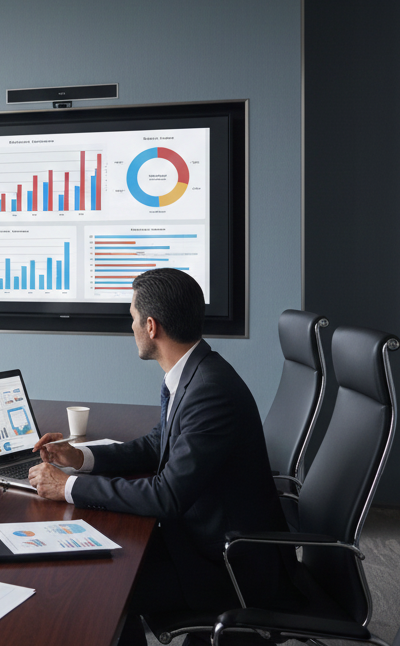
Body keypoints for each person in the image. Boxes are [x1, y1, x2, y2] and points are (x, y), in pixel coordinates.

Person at [28, 268, 287, 644]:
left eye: (132, 319)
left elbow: (167, 495)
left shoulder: (209, 392)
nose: (130, 327)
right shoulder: (194, 371)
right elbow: (156, 444)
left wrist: (69, 487)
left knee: (100, 585)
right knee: (108, 558)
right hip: (200, 539)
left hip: (226, 566)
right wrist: (80, 457)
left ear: (151, 326)